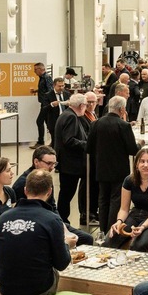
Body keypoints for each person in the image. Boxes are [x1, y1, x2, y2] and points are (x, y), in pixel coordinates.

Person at [0, 169, 72, 295]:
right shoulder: (52, 219)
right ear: (49, 192)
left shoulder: (3, 217)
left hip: (6, 290)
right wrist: (67, 244)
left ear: (25, 190)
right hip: (38, 290)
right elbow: (61, 263)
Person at [14, 146, 94, 245]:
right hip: (35, 226)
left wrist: (61, 225)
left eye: (54, 164)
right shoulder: (22, 184)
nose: (52, 167)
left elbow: (53, 206)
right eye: (48, 163)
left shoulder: (46, 178)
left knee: (87, 239)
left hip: (51, 221)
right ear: (36, 161)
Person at [89, 95, 140, 234]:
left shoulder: (96, 123)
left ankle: (102, 229)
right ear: (122, 109)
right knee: (116, 200)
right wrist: (139, 145)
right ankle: (112, 229)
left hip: (101, 167)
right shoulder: (123, 125)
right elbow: (132, 150)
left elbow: (89, 147)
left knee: (103, 199)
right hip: (119, 169)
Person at [107, 148, 148, 252]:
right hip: (136, 213)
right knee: (109, 240)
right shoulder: (129, 180)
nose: (146, 165)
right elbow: (124, 209)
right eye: (142, 161)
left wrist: (143, 227)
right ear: (136, 164)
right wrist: (119, 222)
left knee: (138, 244)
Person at [53, 94, 91, 226]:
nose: (86, 108)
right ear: (81, 106)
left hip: (68, 163)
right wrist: (87, 145)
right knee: (67, 194)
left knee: (66, 193)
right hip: (70, 164)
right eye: (86, 105)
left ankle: (63, 219)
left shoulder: (67, 114)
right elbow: (69, 140)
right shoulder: (71, 117)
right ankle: (63, 220)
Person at [32, 62, 55, 148]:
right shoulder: (42, 78)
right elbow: (44, 88)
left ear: (41, 69)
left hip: (46, 104)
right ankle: (52, 141)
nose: (34, 72)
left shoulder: (46, 77)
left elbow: (50, 90)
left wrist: (47, 102)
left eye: (35, 70)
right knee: (47, 123)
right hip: (44, 103)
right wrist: (37, 91)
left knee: (40, 121)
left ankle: (41, 142)